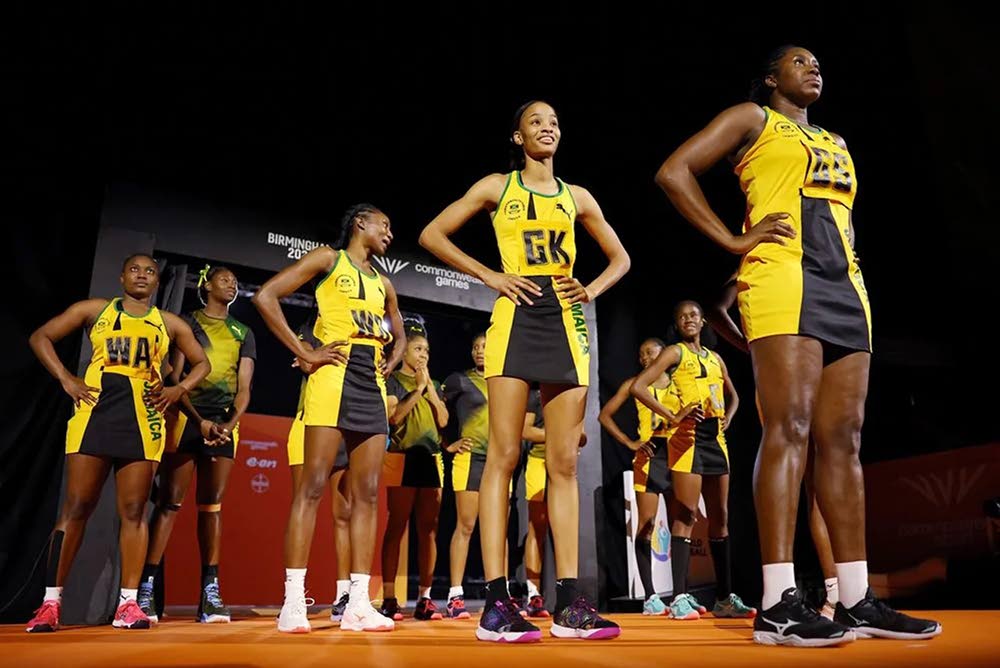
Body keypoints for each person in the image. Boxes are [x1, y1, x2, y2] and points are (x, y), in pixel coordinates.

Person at [655, 45, 941, 645]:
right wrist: (734, 241)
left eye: (816, 62)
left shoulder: (836, 140)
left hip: (847, 287)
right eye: (798, 61)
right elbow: (674, 172)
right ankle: (777, 602)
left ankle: (856, 598)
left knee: (844, 439)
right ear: (770, 77)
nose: (813, 67)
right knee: (789, 428)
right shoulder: (753, 118)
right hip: (783, 277)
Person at [420, 100, 630, 642]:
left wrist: (591, 290)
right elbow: (432, 234)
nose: (547, 127)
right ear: (518, 137)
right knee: (504, 456)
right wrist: (489, 275)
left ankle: (570, 605)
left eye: (554, 121)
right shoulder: (498, 186)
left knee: (562, 464)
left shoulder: (577, 196)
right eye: (536, 121)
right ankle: (495, 603)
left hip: (565, 321)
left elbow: (621, 259)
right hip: (515, 316)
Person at [27, 253, 210, 632]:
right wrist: (65, 378)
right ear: (122, 277)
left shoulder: (169, 322)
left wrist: (179, 389)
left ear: (157, 281)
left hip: (143, 419)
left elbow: (202, 363)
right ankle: (50, 604)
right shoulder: (95, 310)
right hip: (94, 413)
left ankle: (128, 604)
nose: (142, 275)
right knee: (76, 508)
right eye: (134, 270)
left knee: (134, 511)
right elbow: (40, 336)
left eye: (149, 271)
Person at [253, 203, 405, 633]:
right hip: (332, 378)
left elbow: (399, 330)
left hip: (370, 385)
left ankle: (357, 603)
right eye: (384, 224)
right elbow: (266, 296)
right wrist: (305, 351)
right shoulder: (328, 258)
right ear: (360, 223)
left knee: (368, 495)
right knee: (312, 488)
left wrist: (393, 359)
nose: (389, 233)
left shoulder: (383, 282)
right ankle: (292, 602)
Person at [139, 266, 256, 624]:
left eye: (234, 281)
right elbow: (175, 377)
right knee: (169, 503)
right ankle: (146, 590)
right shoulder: (187, 322)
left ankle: (210, 594)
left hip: (222, 426)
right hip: (186, 419)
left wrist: (228, 425)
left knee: (211, 507)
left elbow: (244, 388)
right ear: (206, 285)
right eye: (224, 279)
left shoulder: (243, 332)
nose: (231, 284)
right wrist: (198, 421)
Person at [632, 302, 755, 621]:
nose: (688, 319)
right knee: (685, 515)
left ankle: (724, 598)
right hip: (687, 440)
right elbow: (638, 386)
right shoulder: (674, 353)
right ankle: (680, 597)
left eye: (694, 315)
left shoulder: (715, 358)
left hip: (716, 440)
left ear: (703, 322)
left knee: (720, 516)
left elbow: (734, 395)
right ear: (677, 324)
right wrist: (673, 416)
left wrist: (729, 416)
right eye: (682, 316)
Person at [285, 312, 353, 623]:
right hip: (309, 421)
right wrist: (313, 354)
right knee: (305, 502)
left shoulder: (358, 327)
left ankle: (344, 595)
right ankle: (294, 596)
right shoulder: (308, 326)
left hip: (346, 423)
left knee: (344, 514)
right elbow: (305, 362)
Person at [599, 338, 673, 616]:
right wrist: (630, 442)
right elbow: (605, 415)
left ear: (664, 354)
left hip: (679, 454)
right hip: (649, 456)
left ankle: (682, 593)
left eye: (650, 352)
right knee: (647, 525)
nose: (645, 358)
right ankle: (651, 596)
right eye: (641, 355)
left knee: (682, 524)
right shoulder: (633, 384)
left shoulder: (679, 381)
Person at [379, 329, 449, 622]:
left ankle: (425, 598)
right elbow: (394, 417)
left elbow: (443, 420)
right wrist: (418, 389)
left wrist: (429, 386)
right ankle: (389, 599)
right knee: (397, 525)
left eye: (427, 351)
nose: (423, 355)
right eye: (418, 349)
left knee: (428, 529)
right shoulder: (393, 380)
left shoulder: (434, 384)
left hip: (430, 459)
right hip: (401, 457)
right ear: (404, 351)